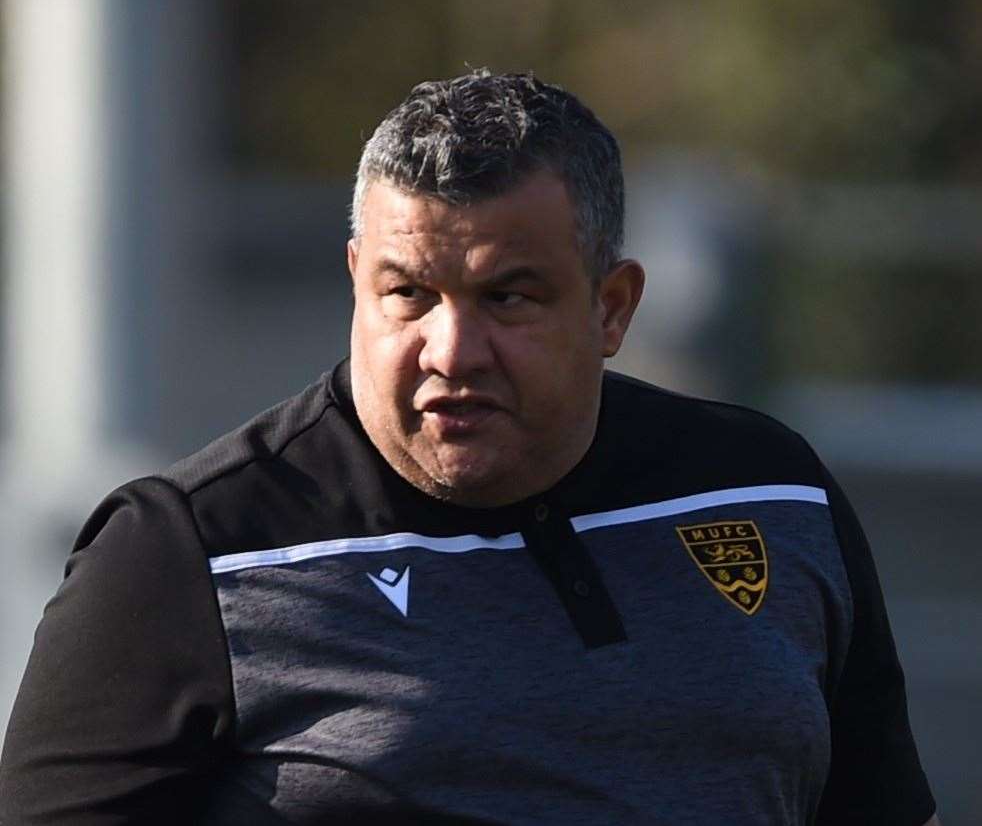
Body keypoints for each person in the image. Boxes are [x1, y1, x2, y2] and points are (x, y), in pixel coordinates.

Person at [0, 70, 938, 825]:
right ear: (357, 283)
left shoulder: (771, 491)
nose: (450, 352)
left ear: (612, 308)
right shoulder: (189, 549)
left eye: (508, 298)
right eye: (407, 293)